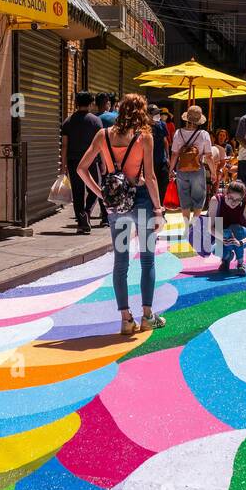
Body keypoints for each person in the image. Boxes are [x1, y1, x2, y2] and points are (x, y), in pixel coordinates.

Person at [76, 93, 166, 335]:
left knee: (121, 262)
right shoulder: (144, 137)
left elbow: (81, 168)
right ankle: (147, 316)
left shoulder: (102, 135)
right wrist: (158, 209)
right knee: (147, 259)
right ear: (141, 112)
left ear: (119, 109)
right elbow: (150, 176)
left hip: (115, 205)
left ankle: (126, 319)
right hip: (142, 201)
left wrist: (101, 193)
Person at [59, 91, 105, 234]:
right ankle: (87, 212)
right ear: (91, 103)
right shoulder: (96, 121)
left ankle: (81, 222)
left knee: (78, 191)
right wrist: (103, 162)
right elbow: (101, 144)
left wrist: (63, 165)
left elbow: (64, 145)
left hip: (73, 161)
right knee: (95, 188)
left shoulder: (67, 122)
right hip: (91, 161)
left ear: (76, 103)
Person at [169, 105, 214, 235]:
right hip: (197, 169)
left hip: (181, 170)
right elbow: (209, 156)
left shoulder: (178, 133)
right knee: (199, 198)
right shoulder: (204, 134)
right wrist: (214, 173)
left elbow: (174, 154)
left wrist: (171, 169)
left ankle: (186, 226)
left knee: (184, 198)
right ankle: (194, 225)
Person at [207, 179, 246, 275]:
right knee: (215, 251)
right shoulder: (216, 200)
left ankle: (240, 263)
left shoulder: (244, 205)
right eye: (231, 198)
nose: (234, 202)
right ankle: (226, 258)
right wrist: (222, 238)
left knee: (234, 228)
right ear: (226, 193)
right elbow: (209, 227)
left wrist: (241, 242)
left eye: (238, 200)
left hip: (241, 236)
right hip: (222, 235)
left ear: (242, 198)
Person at [148, 102, 171, 206]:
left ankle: (161, 208)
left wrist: (168, 157)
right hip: (149, 163)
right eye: (154, 113)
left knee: (163, 185)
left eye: (158, 113)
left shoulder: (162, 124)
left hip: (161, 160)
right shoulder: (143, 127)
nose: (157, 115)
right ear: (148, 115)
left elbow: (165, 141)